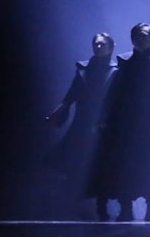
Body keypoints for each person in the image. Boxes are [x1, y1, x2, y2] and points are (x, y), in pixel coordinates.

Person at [93, 22, 150, 222]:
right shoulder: (124, 61)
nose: (140, 39)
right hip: (127, 122)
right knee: (126, 165)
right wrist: (105, 115)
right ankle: (126, 207)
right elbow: (114, 90)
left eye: (144, 36)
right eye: (137, 36)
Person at [44, 32, 117, 220]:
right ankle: (72, 205)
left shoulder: (117, 70)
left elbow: (120, 98)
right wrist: (60, 110)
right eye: (96, 44)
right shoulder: (84, 69)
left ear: (110, 47)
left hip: (105, 124)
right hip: (83, 122)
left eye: (102, 45)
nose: (98, 47)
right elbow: (72, 93)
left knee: (103, 165)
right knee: (75, 163)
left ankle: (102, 206)